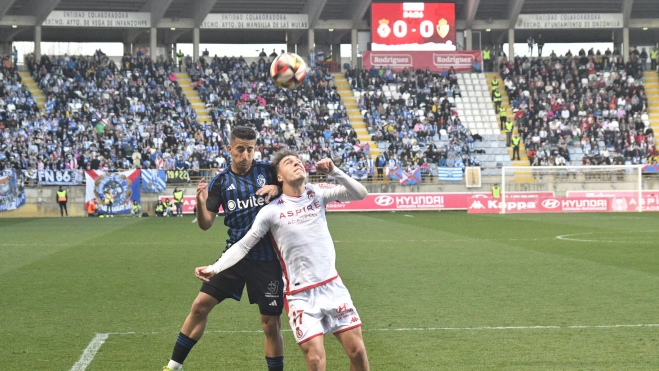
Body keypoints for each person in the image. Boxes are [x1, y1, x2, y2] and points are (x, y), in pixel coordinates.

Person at [195, 150, 370, 371]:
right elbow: (244, 244)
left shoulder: (317, 193)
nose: (297, 164)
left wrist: (335, 171)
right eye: (289, 162)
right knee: (315, 360)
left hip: (333, 287)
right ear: (279, 177)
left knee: (358, 353)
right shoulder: (271, 212)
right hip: (300, 297)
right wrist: (215, 268)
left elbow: (360, 193)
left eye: (299, 161)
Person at [164, 126, 284, 371]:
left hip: (267, 259)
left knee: (271, 324)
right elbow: (206, 224)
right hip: (234, 257)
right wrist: (200, 203)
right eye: (240, 149)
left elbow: (297, 184)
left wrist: (278, 188)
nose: (245, 155)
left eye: (250, 150)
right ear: (230, 149)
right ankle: (173, 366)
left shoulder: (268, 172)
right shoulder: (221, 181)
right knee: (200, 306)